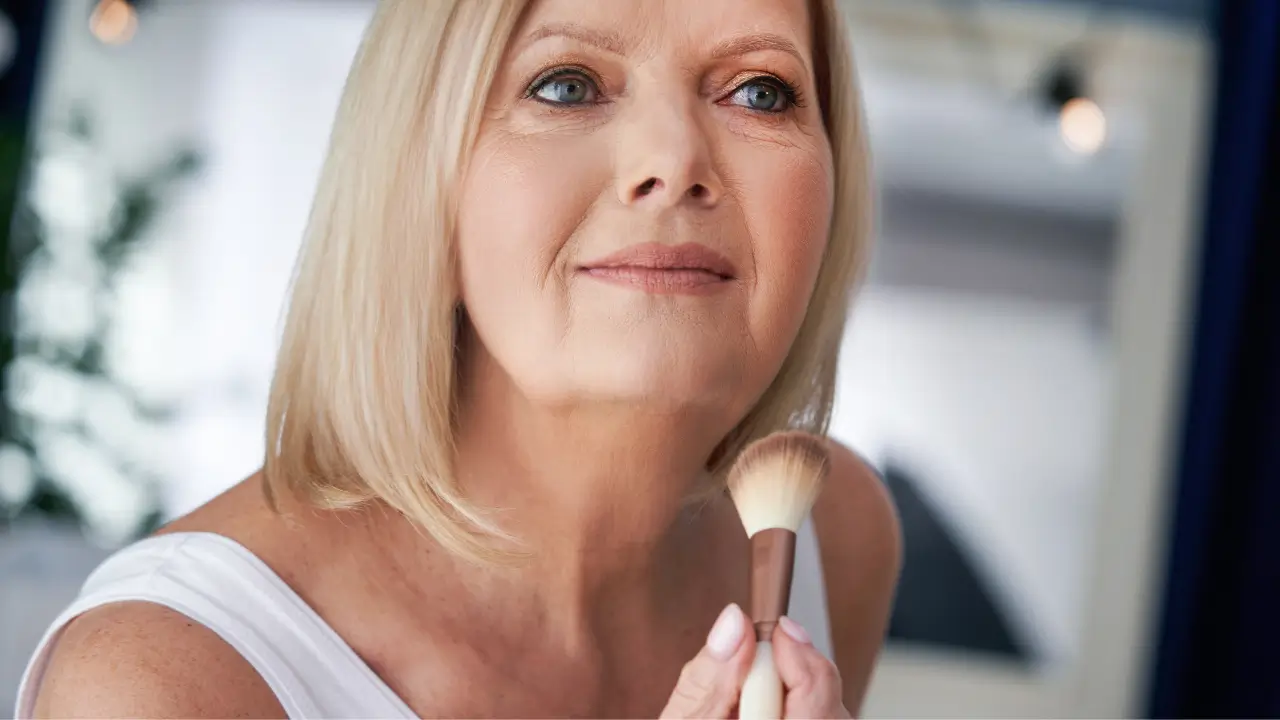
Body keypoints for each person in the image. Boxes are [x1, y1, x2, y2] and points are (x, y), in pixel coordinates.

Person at [17, 0, 901, 716]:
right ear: (421, 176)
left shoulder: (836, 536)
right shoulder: (161, 681)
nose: (673, 160)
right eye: (565, 85)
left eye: (759, 92)